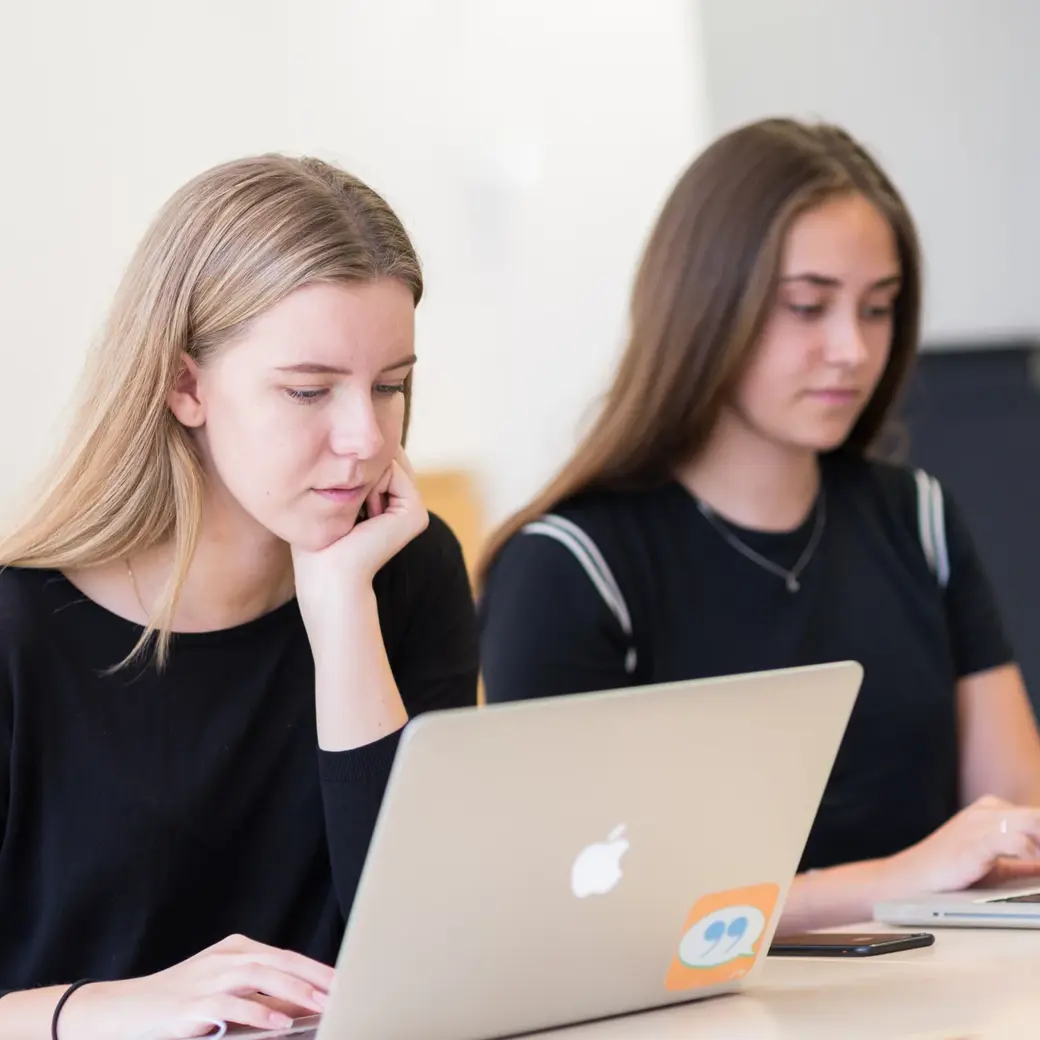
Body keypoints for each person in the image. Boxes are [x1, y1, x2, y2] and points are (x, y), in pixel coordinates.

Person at [477, 118, 1040, 934]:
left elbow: (1013, 823)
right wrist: (894, 882)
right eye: (807, 307)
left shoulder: (918, 519)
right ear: (705, 306)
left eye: (878, 309)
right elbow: (580, 910)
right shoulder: (571, 566)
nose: (852, 349)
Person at [0, 155, 478, 1038]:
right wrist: (109, 1007)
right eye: (309, 390)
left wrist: (342, 611)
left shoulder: (407, 572)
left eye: (390, 385)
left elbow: (431, 948)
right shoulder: (17, 629)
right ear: (186, 386)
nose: (364, 438)